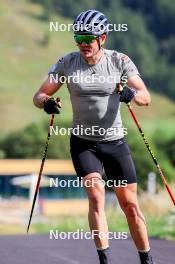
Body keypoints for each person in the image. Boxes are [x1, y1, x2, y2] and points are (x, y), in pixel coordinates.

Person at [33, 9, 155, 264]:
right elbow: (39, 94)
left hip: (115, 142)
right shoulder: (67, 62)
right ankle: (105, 260)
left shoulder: (119, 61)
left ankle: (146, 258)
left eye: (88, 38)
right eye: (78, 38)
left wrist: (131, 95)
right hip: (83, 143)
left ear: (103, 38)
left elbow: (145, 97)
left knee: (130, 206)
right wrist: (46, 103)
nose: (83, 44)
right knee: (96, 197)